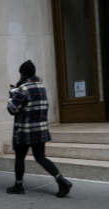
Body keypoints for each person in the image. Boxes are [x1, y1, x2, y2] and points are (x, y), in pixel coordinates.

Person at [6, 60, 72, 197]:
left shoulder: (22, 89)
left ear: (23, 73)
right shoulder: (41, 87)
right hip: (40, 130)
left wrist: (11, 96)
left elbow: (12, 109)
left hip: (24, 131)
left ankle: (18, 186)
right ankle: (61, 180)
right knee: (41, 157)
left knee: (20, 158)